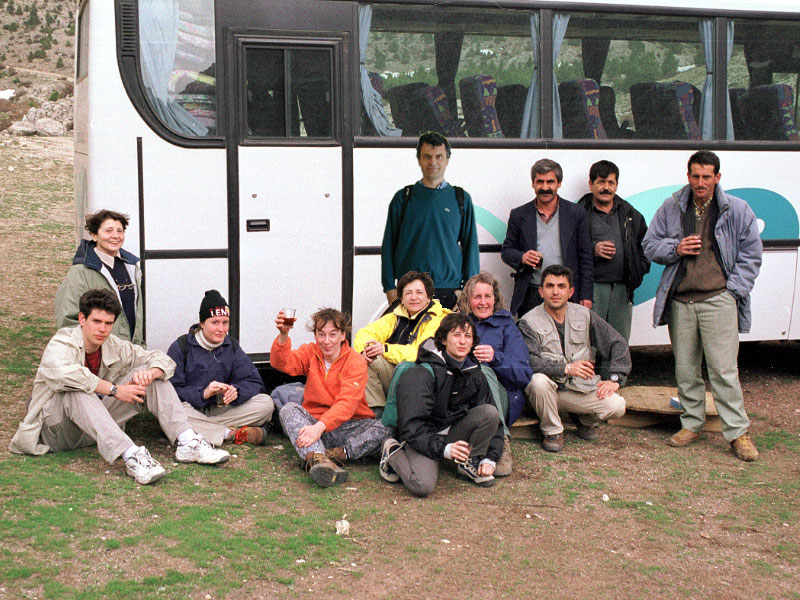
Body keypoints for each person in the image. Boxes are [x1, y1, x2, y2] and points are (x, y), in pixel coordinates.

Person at [9, 289, 230, 484]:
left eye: (108, 323)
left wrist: (150, 373)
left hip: (95, 428)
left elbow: (162, 359)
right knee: (76, 388)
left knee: (149, 376)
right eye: (96, 322)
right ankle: (132, 456)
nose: (102, 330)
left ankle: (186, 441)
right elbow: (64, 374)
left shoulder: (112, 344)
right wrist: (115, 390)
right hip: (58, 430)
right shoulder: (62, 342)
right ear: (82, 319)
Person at [642, 150, 762, 462]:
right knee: (685, 370)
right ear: (688, 176)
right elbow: (649, 244)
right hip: (682, 301)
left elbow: (752, 252)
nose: (700, 182)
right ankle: (691, 424)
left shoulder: (736, 208)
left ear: (717, 178)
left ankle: (738, 433)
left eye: (706, 177)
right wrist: (675, 247)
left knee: (724, 370)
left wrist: (733, 289)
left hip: (718, 298)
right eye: (695, 176)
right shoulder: (672, 206)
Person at [380, 313, 504, 497]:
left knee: (490, 412)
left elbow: (496, 421)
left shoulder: (474, 372)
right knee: (422, 485)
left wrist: (490, 457)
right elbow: (412, 427)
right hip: (421, 436)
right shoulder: (422, 372)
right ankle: (392, 451)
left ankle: (469, 461)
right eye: (456, 335)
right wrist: (444, 450)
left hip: (451, 432)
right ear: (444, 339)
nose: (462, 341)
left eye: (467, 336)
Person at [271, 307, 388, 487]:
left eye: (333, 335)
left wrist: (318, 428)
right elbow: (281, 363)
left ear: (343, 335)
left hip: (348, 426)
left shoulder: (355, 361)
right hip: (316, 426)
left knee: (388, 426)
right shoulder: (310, 352)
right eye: (321, 335)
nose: (327, 341)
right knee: (288, 409)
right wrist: (283, 336)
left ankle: (339, 454)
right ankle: (320, 461)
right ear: (315, 335)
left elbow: (347, 403)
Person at [518, 265, 628, 452]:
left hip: (577, 390)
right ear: (540, 291)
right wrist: (567, 368)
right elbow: (530, 362)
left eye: (561, 286)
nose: (555, 292)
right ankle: (552, 431)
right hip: (546, 392)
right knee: (537, 381)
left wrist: (616, 377)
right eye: (550, 286)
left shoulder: (584, 315)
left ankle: (584, 419)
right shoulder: (528, 322)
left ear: (571, 292)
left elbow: (617, 343)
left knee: (617, 406)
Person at [381, 131, 480, 309]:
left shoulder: (461, 198)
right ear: (419, 159)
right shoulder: (404, 198)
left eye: (438, 157)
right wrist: (389, 286)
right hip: (409, 290)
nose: (433, 162)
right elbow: (389, 245)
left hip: (448, 289)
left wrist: (467, 290)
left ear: (447, 160)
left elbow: (470, 246)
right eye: (427, 156)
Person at [167, 290, 275, 447]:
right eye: (215, 322)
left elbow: (253, 381)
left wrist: (236, 391)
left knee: (266, 404)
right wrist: (203, 393)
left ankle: (200, 428)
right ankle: (230, 433)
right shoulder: (181, 347)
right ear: (202, 323)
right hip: (191, 408)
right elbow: (171, 391)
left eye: (225, 323)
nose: (221, 329)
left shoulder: (231, 346)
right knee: (173, 412)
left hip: (221, 410)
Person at [459, 271, 533, 477]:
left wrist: (496, 358)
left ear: (495, 299)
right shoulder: (459, 325)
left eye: (487, 296)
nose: (483, 302)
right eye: (477, 297)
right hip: (467, 394)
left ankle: (501, 442)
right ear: (468, 300)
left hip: (502, 396)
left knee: (483, 370)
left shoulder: (507, 326)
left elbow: (524, 374)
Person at [501, 158, 594, 318]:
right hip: (531, 292)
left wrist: (586, 295)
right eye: (540, 182)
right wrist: (522, 257)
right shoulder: (519, 215)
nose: (545, 187)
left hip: (566, 294)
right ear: (533, 183)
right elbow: (506, 252)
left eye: (550, 182)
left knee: (566, 341)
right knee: (530, 341)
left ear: (559, 183)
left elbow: (585, 257)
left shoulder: (576, 213)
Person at [353, 271, 449, 416]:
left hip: (423, 379)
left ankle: (382, 418)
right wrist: (365, 350)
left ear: (428, 297)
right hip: (400, 373)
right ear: (402, 299)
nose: (414, 297)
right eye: (408, 293)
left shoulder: (439, 319)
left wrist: (385, 349)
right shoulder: (395, 317)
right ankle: (377, 415)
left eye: (419, 292)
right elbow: (364, 334)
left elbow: (421, 352)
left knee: (376, 357)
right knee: (367, 359)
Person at [577, 160, 650, 343]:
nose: (606, 188)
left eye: (611, 182)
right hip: (591, 288)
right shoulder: (578, 213)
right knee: (589, 342)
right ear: (591, 184)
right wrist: (593, 249)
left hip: (622, 289)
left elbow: (647, 246)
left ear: (616, 185)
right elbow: (568, 247)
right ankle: (590, 373)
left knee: (619, 343)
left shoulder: (630, 214)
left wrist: (638, 271)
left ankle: (617, 373)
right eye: (601, 182)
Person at [56, 210, 144, 346]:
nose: (115, 236)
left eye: (120, 231)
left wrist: (139, 349)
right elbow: (68, 320)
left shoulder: (132, 268)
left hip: (130, 355)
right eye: (108, 231)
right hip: (99, 357)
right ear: (94, 235)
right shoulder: (81, 271)